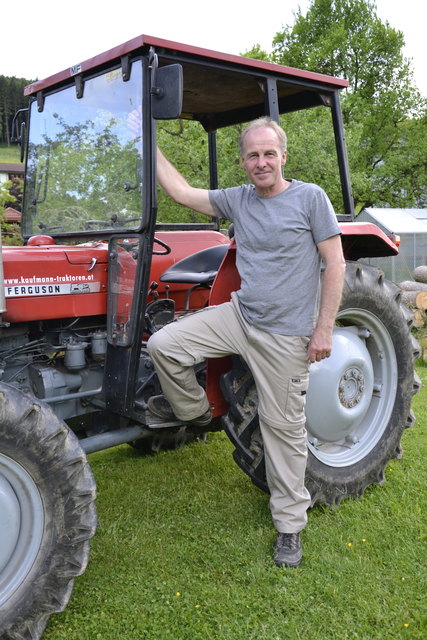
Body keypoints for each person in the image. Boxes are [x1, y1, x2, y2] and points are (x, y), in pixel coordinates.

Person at [147, 117, 346, 568]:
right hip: (241, 315)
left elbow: (335, 264)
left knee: (283, 431)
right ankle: (194, 415)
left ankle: (290, 526)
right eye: (253, 155)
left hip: (287, 334)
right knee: (164, 345)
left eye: (269, 153)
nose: (261, 162)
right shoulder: (239, 199)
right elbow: (181, 192)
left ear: (283, 156)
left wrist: (323, 328)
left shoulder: (310, 198)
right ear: (243, 161)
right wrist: (149, 141)